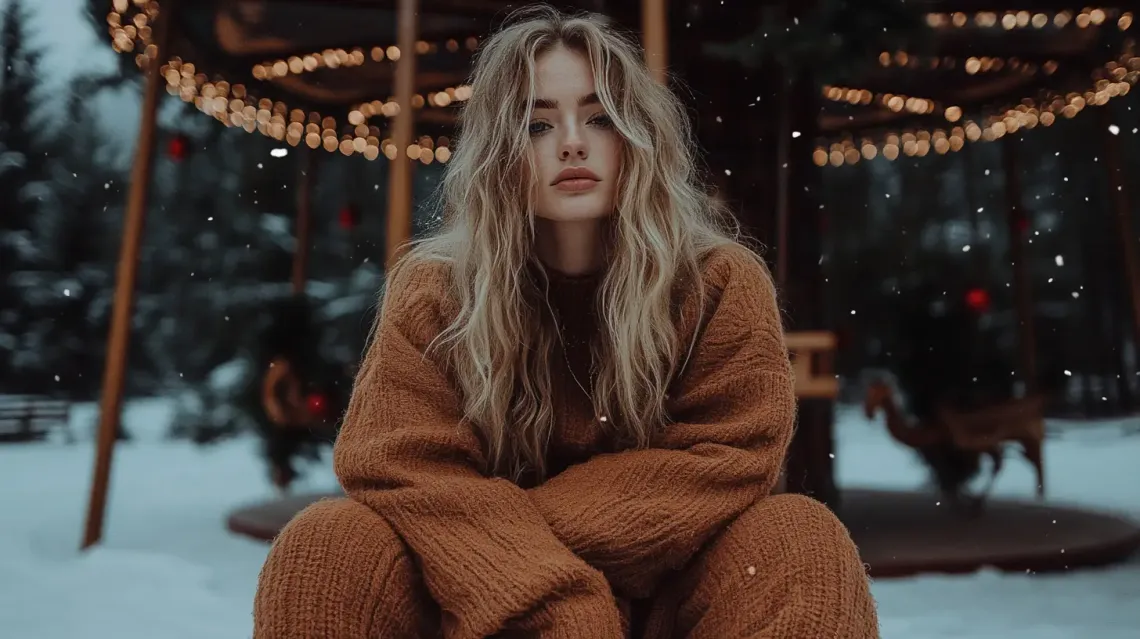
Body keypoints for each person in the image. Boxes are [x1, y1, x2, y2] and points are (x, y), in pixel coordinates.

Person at [253, 6, 878, 638]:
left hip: (669, 588)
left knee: (804, 536)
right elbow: (398, 463)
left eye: (600, 117)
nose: (572, 141)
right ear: (499, 149)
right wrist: (544, 594)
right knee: (325, 544)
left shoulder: (717, 282)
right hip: (470, 601)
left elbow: (729, 456)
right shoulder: (436, 290)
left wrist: (526, 547)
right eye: (536, 123)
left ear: (639, 135)